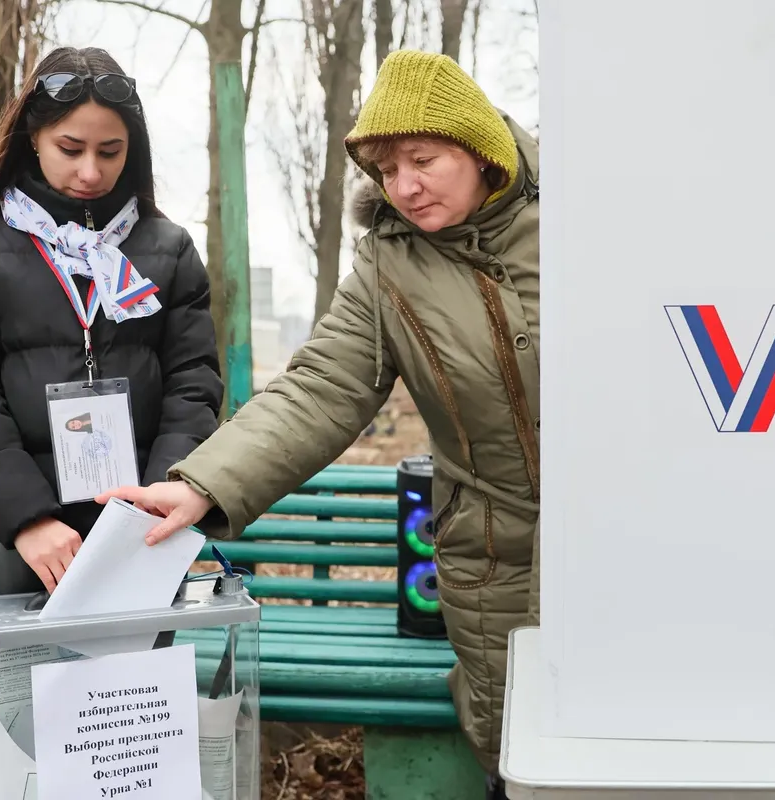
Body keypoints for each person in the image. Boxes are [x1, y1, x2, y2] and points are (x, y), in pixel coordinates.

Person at [98, 49, 539, 799]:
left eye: (422, 160)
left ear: (480, 147)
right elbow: (322, 387)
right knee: (521, 759)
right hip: (493, 556)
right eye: (385, 171)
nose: (404, 186)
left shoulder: (586, 219)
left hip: (623, 544)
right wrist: (201, 486)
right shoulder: (389, 265)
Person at [0, 46, 224, 766]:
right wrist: (26, 519)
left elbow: (193, 384)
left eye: (111, 152)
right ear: (31, 137)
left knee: (124, 754)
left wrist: (164, 492)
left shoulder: (167, 248)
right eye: (70, 149)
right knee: (12, 752)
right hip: (25, 541)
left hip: (136, 539)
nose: (90, 172)